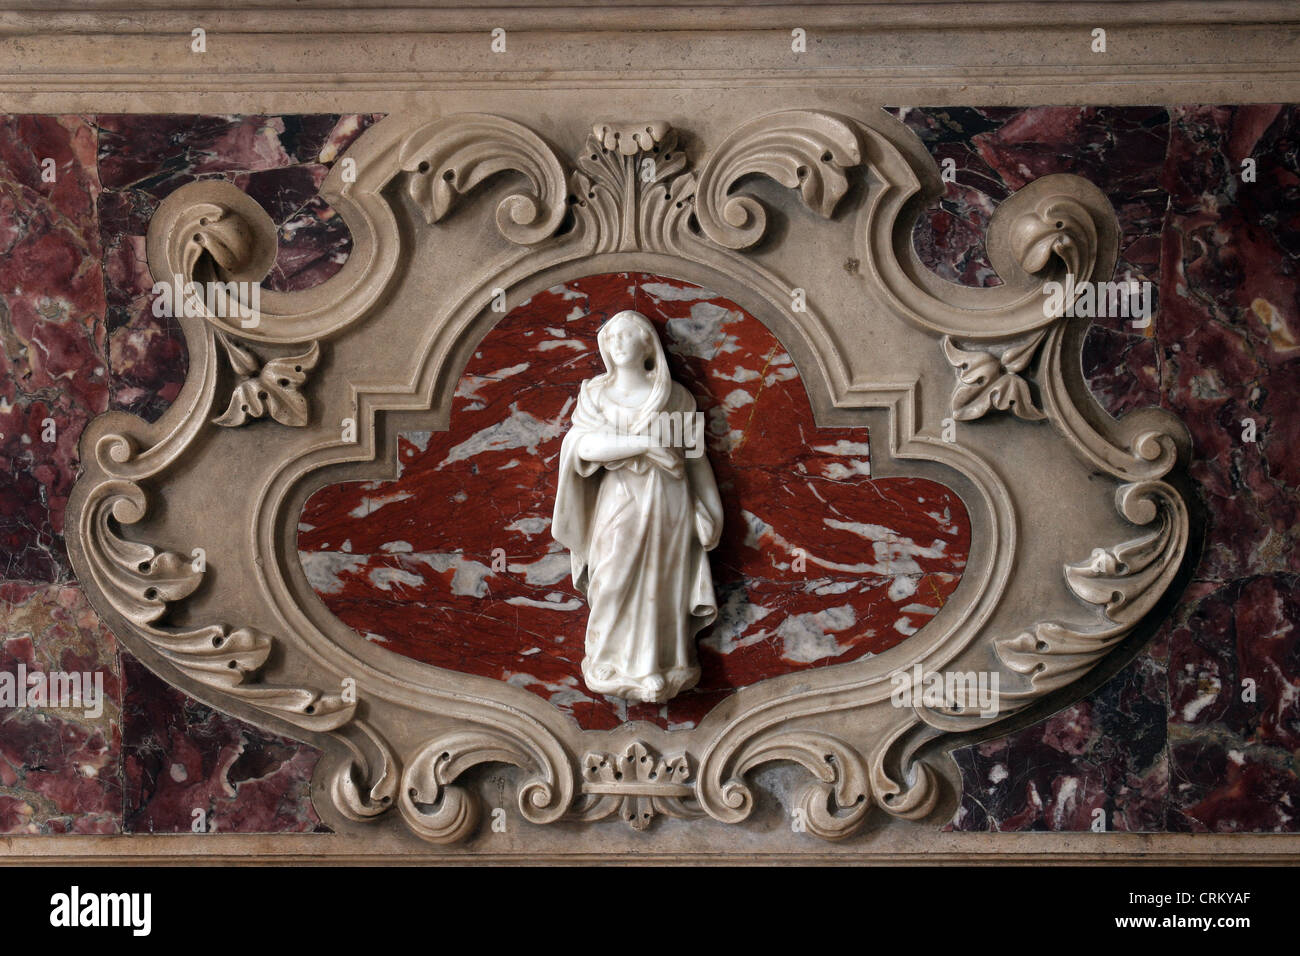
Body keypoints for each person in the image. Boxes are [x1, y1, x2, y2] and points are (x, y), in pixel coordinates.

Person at [552, 309, 723, 703]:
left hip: (670, 502)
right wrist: (643, 444)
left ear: (648, 343)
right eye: (610, 337)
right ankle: (607, 661)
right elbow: (584, 448)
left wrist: (711, 509)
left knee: (663, 587)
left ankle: (658, 667)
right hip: (619, 500)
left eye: (626, 335)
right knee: (610, 578)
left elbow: (695, 459)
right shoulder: (595, 394)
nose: (617, 343)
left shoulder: (675, 396)